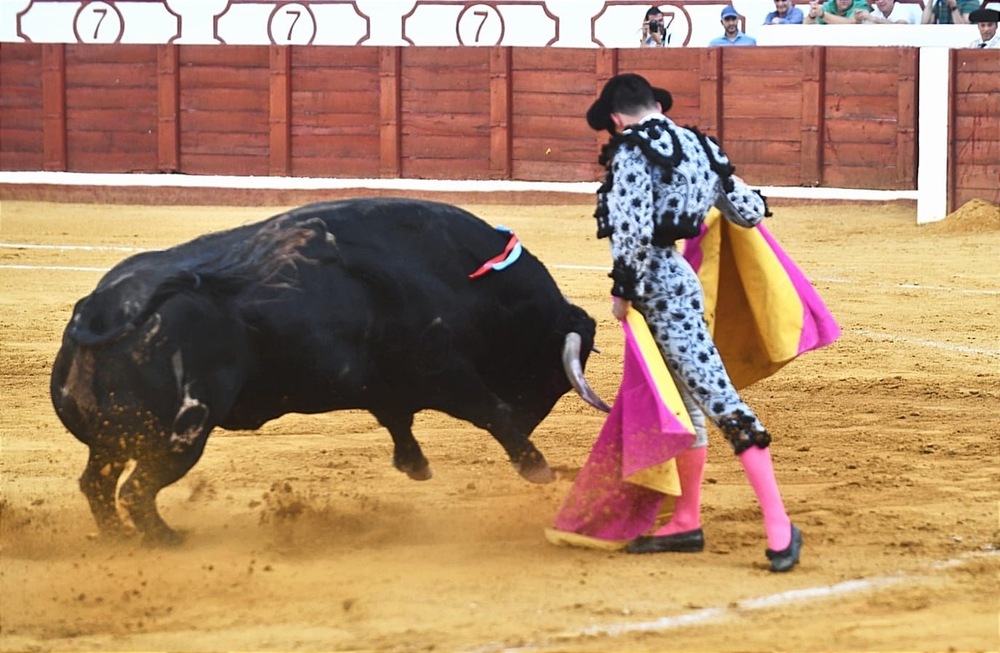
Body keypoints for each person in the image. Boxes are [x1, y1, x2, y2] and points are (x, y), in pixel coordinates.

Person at [585, 73, 802, 572]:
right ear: (655, 104)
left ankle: (779, 526)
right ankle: (685, 519)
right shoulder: (702, 146)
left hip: (659, 290)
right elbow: (748, 212)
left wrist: (623, 292)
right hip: (681, 280)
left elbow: (634, 233)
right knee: (685, 401)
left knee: (718, 399)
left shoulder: (631, 152)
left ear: (616, 119)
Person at [805, 0, 872, 23]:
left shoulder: (861, 4)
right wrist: (812, 15)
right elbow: (806, 23)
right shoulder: (829, 4)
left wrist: (823, 15)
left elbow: (853, 22)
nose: (844, 0)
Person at [858, 0, 924, 23]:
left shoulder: (902, 8)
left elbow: (900, 26)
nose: (880, 1)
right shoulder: (876, 11)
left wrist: (873, 19)